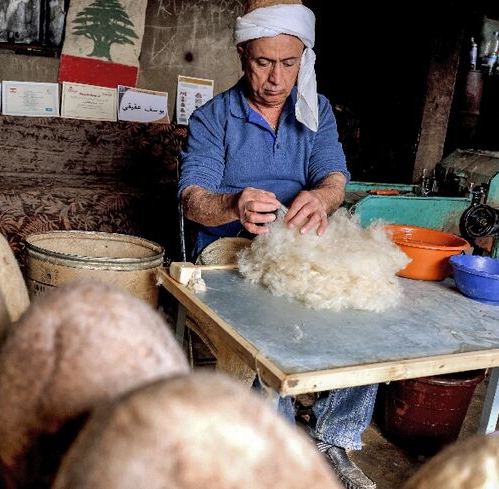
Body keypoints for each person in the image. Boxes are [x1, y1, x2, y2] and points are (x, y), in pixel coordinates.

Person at [177, 1, 378, 488]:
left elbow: (335, 175)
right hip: (227, 253)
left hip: (297, 242)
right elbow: (191, 199)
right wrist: (232, 207)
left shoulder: (315, 110)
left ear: (303, 59)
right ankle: (280, 446)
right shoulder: (212, 119)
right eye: (263, 62)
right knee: (268, 325)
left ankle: (335, 436)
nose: (275, 78)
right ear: (243, 53)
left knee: (364, 303)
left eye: (289, 63)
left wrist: (323, 197)